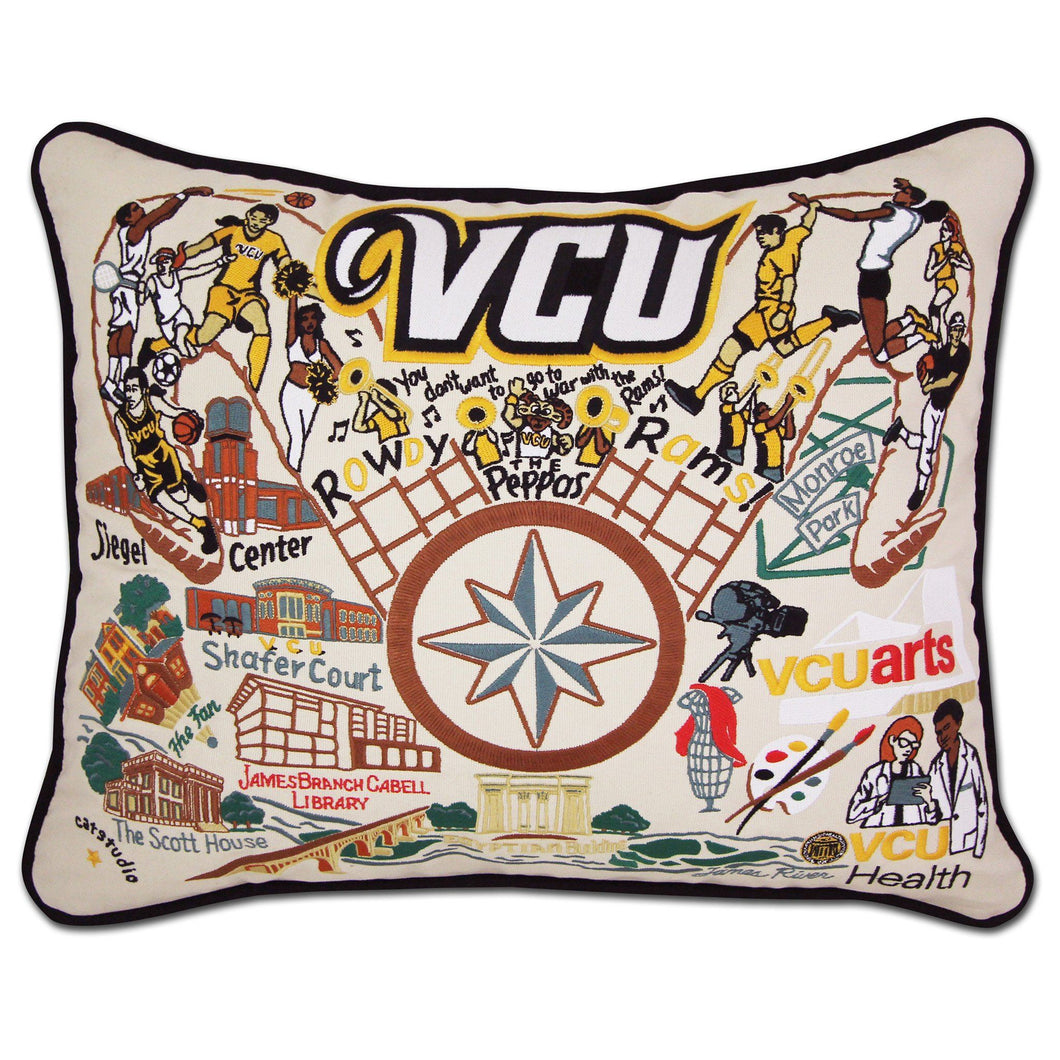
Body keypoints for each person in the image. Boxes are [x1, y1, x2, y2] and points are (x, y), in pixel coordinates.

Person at [665, 201, 858, 415]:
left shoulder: (779, 255)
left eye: (763, 233)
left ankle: (697, 396)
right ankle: (830, 320)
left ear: (776, 231)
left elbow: (789, 281)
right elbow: (806, 224)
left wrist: (782, 310)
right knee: (784, 346)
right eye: (758, 234)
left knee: (732, 347)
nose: (760, 238)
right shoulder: (792, 237)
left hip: (770, 310)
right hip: (770, 309)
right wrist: (812, 208)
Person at [805, 179, 949, 364]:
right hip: (879, 275)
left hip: (871, 277)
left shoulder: (893, 212)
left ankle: (920, 335)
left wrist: (820, 208)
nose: (897, 193)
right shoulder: (915, 218)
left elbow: (854, 216)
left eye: (904, 192)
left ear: (911, 201)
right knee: (877, 335)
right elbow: (917, 203)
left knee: (880, 354)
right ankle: (909, 319)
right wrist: (909, 187)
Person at [101, 186, 212, 402]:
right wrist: (187, 193)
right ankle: (121, 383)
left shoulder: (128, 233)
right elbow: (161, 213)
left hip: (121, 287)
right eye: (135, 209)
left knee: (117, 334)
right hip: (129, 285)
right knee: (126, 334)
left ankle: (110, 382)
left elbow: (161, 216)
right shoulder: (135, 231)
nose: (141, 209)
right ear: (128, 218)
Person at [182, 204, 298, 390]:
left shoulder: (273, 240)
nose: (256, 223)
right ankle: (174, 335)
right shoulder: (232, 231)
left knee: (262, 325)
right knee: (203, 337)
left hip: (248, 294)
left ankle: (254, 381)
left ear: (269, 222)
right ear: (248, 215)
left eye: (262, 220)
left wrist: (292, 274)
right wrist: (178, 258)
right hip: (224, 290)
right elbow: (201, 246)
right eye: (254, 218)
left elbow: (284, 262)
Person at [113, 368, 218, 554]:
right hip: (146, 466)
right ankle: (201, 525)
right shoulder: (121, 417)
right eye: (127, 389)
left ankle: (186, 480)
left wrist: (191, 416)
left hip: (164, 456)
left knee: (181, 497)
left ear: (143, 390)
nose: (130, 394)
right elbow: (127, 451)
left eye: (134, 389)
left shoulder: (152, 402)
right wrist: (136, 474)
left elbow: (173, 412)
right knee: (164, 502)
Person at [881, 311, 970, 510]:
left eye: (959, 330)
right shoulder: (943, 350)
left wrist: (930, 385)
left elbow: (949, 379)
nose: (956, 333)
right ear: (950, 330)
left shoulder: (963, 353)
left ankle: (901, 431)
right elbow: (928, 364)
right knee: (928, 449)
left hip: (941, 408)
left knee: (928, 446)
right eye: (954, 329)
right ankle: (920, 489)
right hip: (932, 407)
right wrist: (925, 379)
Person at [279, 297, 342, 471]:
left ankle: (293, 469)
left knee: (302, 436)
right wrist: (293, 295)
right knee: (297, 436)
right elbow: (291, 316)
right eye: (305, 318)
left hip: (310, 397)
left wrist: (323, 382)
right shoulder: (293, 340)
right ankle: (293, 472)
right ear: (300, 322)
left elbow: (338, 369)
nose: (309, 322)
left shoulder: (322, 345)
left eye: (313, 318)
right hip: (291, 391)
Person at [141, 245, 234, 358]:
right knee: (189, 350)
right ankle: (193, 361)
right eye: (159, 262)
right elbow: (141, 300)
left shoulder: (177, 275)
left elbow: (198, 270)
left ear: (171, 262)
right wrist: (141, 290)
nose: (162, 265)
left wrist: (220, 261)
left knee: (180, 341)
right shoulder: (152, 281)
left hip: (180, 314)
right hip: (166, 321)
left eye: (165, 262)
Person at [847, 716, 940, 828]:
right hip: (878, 833)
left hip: (911, 834)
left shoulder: (916, 770)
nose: (908, 749)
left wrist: (929, 801)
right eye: (904, 742)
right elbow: (852, 814)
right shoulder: (874, 773)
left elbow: (932, 821)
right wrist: (879, 801)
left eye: (913, 745)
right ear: (892, 740)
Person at [927, 699, 988, 858]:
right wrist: (929, 806)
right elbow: (933, 814)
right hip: (944, 847)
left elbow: (982, 804)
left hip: (970, 842)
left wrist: (979, 851)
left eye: (946, 728)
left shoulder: (972, 756)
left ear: (959, 723)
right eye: (938, 733)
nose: (942, 737)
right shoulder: (935, 766)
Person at [923, 213, 972, 339]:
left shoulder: (957, 247)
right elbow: (929, 274)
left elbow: (969, 265)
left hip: (950, 284)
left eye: (945, 230)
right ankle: (942, 344)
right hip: (939, 283)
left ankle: (935, 339)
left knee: (933, 308)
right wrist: (945, 260)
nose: (941, 232)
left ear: (951, 233)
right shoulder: (936, 248)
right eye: (942, 229)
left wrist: (957, 262)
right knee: (941, 315)